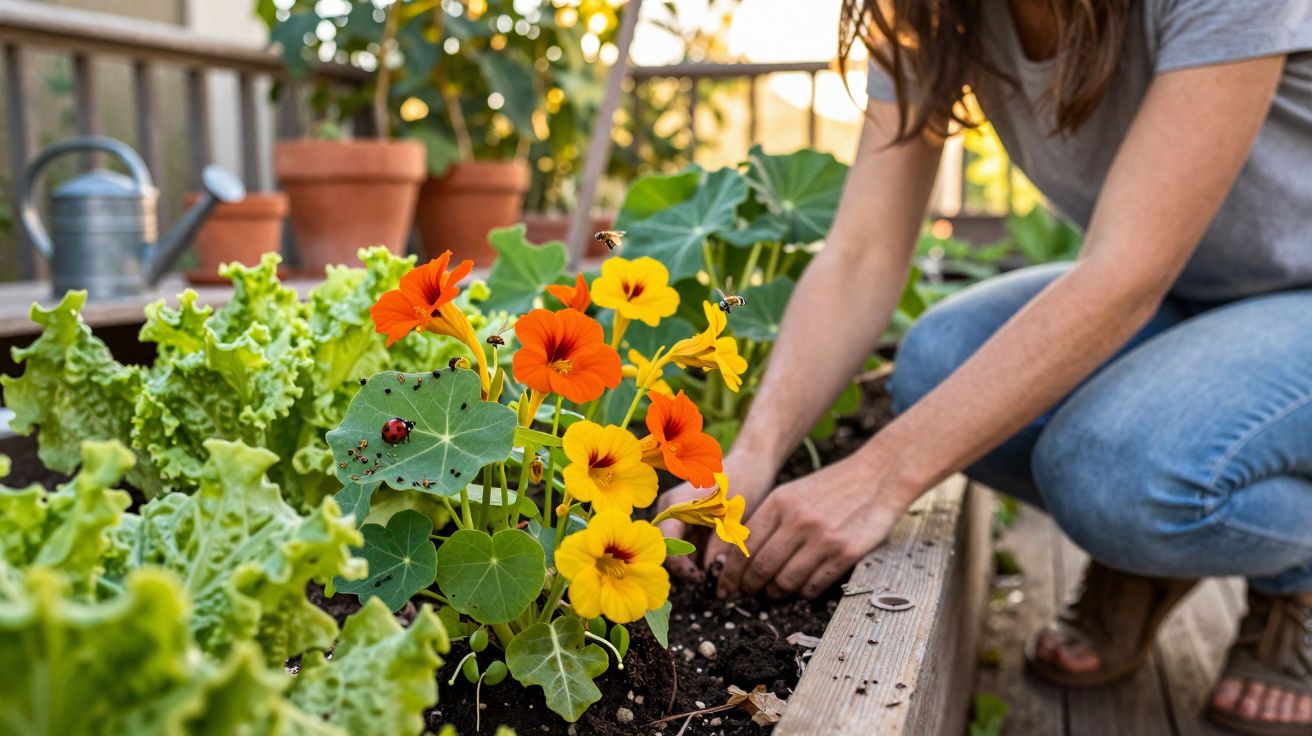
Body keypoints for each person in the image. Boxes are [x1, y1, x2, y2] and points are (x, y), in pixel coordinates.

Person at [657, 1, 1312, 732]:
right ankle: (1151, 558)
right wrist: (748, 456)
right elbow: (861, 253)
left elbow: (1127, 272)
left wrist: (877, 479)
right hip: (1197, 287)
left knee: (1114, 472)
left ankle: (1296, 574)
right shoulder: (934, 13)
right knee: (938, 365)